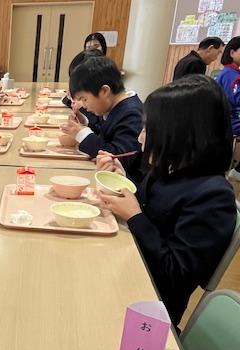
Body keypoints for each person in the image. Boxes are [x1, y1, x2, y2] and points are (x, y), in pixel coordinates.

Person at [97, 75, 236, 328]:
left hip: (147, 307)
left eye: (149, 129)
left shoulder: (214, 197)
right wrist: (123, 179)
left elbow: (175, 275)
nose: (140, 138)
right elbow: (147, 207)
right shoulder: (169, 169)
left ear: (183, 134)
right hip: (124, 271)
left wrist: (135, 216)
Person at [61, 55, 143, 159]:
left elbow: (118, 156)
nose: (84, 106)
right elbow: (103, 133)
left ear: (104, 91)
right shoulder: (112, 107)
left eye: (84, 99)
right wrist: (85, 122)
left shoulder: (132, 114)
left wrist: (82, 134)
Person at [215, 36, 240, 181]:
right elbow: (237, 99)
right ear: (232, 53)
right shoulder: (231, 75)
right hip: (229, 121)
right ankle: (238, 170)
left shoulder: (226, 72)